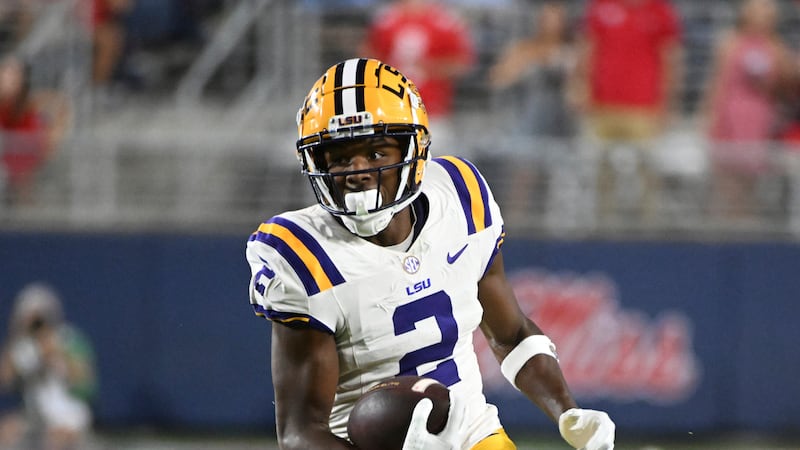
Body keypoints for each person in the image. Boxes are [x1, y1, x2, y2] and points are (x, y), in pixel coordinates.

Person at [245, 58, 615, 450]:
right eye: (339, 156)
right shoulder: (301, 253)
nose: (356, 171)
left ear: (414, 150)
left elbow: (511, 334)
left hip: (476, 437)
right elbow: (299, 433)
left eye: (375, 153)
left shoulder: (460, 195)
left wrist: (568, 412)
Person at [575, 0, 683, 222]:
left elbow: (670, 59)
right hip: (603, 105)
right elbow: (588, 49)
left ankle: (647, 225)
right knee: (600, 172)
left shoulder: (660, 11)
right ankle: (600, 223)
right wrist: (582, 87)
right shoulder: (601, 6)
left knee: (647, 174)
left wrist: (668, 104)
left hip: (644, 108)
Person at [488, 1, 580, 224]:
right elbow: (497, 79)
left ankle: (559, 226)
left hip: (561, 125)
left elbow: (580, 89)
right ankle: (516, 225)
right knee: (523, 178)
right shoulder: (524, 49)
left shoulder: (573, 51)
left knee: (561, 181)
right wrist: (530, 61)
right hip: (527, 123)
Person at [702, 0, 794, 220]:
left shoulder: (775, 47)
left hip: (759, 116)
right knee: (728, 179)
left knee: (751, 180)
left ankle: (746, 223)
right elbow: (718, 83)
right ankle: (727, 224)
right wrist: (710, 119)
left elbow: (787, 82)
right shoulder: (731, 43)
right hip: (732, 115)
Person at [360, 0, 475, 154]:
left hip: (432, 110)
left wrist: (431, 67)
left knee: (432, 162)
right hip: (389, 110)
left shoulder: (445, 21)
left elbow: (461, 62)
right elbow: (367, 58)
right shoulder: (386, 19)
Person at [0, 283, 97, 450]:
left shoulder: (68, 339)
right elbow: (4, 380)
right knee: (5, 432)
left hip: (68, 414)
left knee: (54, 441)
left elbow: (85, 383)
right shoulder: (22, 347)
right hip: (35, 416)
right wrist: (16, 342)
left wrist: (58, 355)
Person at [0, 54, 71, 206]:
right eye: (4, 74)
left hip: (29, 168)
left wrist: (54, 135)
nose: (6, 80)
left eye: (12, 76)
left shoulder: (30, 103)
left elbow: (62, 105)